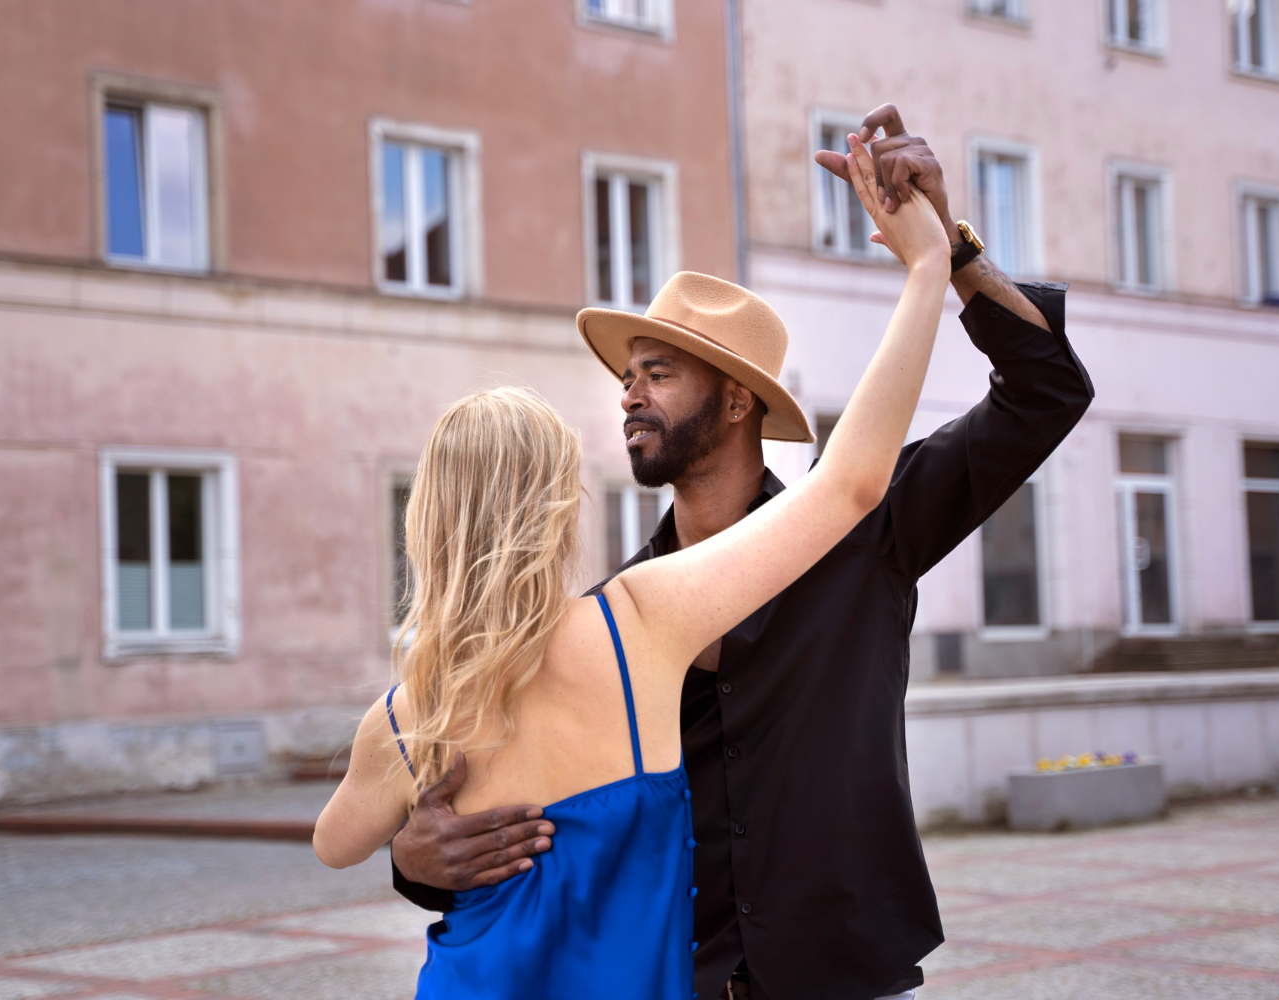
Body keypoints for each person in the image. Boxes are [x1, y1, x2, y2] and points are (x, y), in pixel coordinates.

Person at [385, 105, 1095, 1000]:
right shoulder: (613, 615)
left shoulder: (863, 533)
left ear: (735, 404)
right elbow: (524, 814)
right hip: (675, 982)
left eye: (659, 373)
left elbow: (1047, 392)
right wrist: (418, 863)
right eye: (628, 375)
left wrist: (951, 255)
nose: (629, 396)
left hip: (844, 979)